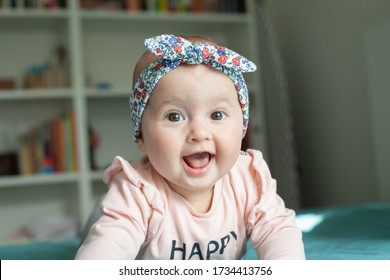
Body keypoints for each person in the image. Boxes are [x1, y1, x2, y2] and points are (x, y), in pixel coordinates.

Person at [75, 34, 305, 260]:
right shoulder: (137, 191)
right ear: (141, 135)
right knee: (99, 225)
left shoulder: (249, 178)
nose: (199, 133)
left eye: (217, 114)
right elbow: (110, 244)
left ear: (242, 126)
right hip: (111, 212)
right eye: (174, 116)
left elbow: (278, 230)